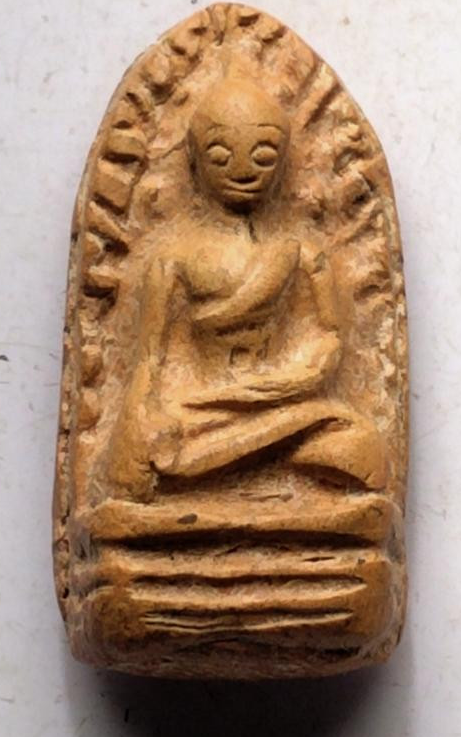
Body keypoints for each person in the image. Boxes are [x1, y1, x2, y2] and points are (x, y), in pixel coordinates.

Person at [109, 77, 385, 493]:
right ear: (193, 163)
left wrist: (300, 377)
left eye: (263, 156)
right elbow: (151, 358)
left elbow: (328, 337)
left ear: (284, 163)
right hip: (201, 409)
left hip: (284, 403)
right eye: (221, 156)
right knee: (152, 450)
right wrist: (143, 417)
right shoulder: (173, 259)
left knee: (361, 446)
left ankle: (243, 476)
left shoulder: (303, 255)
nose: (242, 171)